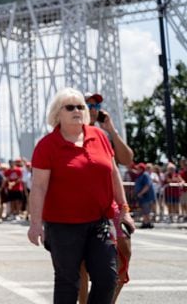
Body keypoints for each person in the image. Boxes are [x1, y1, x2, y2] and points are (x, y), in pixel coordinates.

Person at [28, 88, 135, 304]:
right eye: (70, 107)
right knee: (69, 282)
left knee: (107, 277)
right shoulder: (47, 145)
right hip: (63, 225)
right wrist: (35, 223)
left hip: (99, 220)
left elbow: (114, 173)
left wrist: (124, 210)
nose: (77, 110)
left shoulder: (100, 136)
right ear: (58, 113)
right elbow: (38, 187)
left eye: (81, 107)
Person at [81, 91, 135, 304]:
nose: (92, 109)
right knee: (81, 265)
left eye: (95, 106)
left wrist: (111, 129)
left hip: (108, 206)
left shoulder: (103, 136)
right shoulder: (70, 132)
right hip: (81, 205)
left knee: (125, 249)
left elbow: (127, 159)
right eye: (87, 105)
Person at [133, 163, 155, 228]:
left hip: (146, 196)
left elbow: (147, 185)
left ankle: (146, 223)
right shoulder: (140, 175)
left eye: (138, 168)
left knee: (146, 210)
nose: (137, 169)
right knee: (144, 210)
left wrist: (140, 193)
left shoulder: (145, 175)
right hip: (143, 196)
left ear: (141, 169)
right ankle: (147, 223)